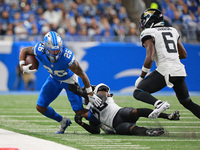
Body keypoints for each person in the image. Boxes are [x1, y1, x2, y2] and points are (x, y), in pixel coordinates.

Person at [19, 31, 102, 134]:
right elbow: (24, 50)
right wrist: (22, 65)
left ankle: (101, 123)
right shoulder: (39, 49)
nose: (55, 53)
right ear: (45, 48)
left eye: (57, 50)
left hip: (70, 82)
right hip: (53, 79)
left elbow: (82, 74)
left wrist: (90, 94)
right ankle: (63, 121)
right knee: (40, 107)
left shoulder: (66, 57)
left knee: (79, 111)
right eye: (52, 51)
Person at [133, 8, 200, 119]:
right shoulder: (172, 30)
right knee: (188, 103)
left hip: (166, 69)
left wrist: (141, 77)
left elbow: (149, 58)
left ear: (150, 20)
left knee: (138, 92)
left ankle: (159, 104)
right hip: (179, 70)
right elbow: (183, 54)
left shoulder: (148, 32)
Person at [68, 83, 180, 136]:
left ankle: (168, 116)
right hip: (115, 124)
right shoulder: (90, 111)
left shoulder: (100, 89)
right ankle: (149, 131)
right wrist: (82, 124)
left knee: (133, 112)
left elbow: (101, 99)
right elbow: (95, 130)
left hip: (120, 113)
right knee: (129, 129)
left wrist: (81, 92)